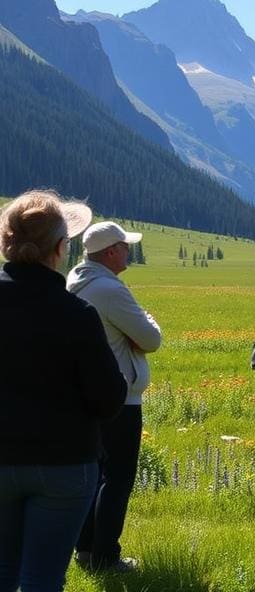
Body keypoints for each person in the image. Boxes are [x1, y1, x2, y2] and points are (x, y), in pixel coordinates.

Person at [0, 191, 127, 592]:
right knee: (42, 580)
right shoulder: (77, 314)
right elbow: (109, 398)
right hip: (64, 464)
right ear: (60, 248)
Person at [67, 221, 162, 573]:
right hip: (120, 396)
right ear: (110, 252)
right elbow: (150, 339)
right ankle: (107, 555)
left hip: (86, 396)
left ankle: (86, 548)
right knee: (118, 477)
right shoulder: (110, 289)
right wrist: (146, 320)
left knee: (93, 474)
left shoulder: (76, 282)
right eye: (124, 246)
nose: (128, 251)